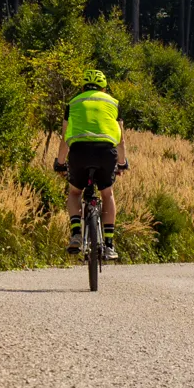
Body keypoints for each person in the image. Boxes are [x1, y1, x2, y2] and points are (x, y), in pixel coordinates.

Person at [61, 69, 127, 260]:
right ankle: (108, 244)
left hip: (79, 153)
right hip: (106, 153)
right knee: (107, 194)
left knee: (74, 192)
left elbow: (64, 138)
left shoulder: (73, 103)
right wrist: (122, 163)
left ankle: (75, 233)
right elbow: (121, 140)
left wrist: (59, 162)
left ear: (82, 87)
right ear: (104, 88)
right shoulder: (113, 103)